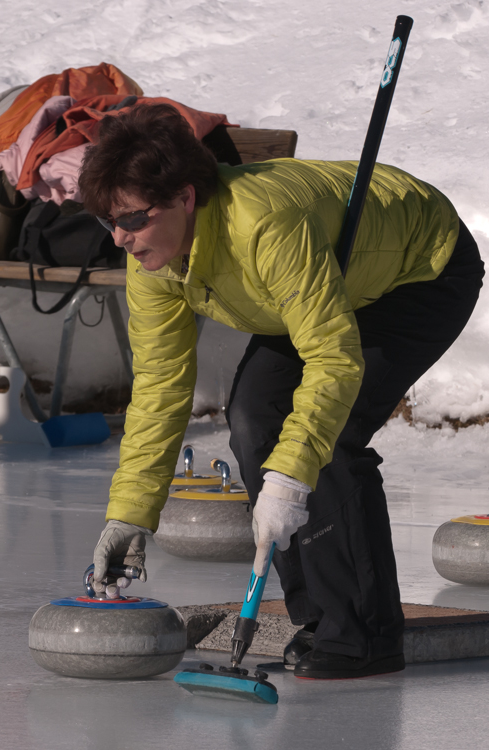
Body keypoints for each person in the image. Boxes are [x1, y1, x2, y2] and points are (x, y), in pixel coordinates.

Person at [79, 103, 484, 679]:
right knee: (252, 418)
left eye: (133, 219)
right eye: (107, 223)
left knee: (329, 435)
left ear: (186, 197)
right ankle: (318, 616)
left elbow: (332, 359)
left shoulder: (266, 226)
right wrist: (130, 514)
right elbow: (161, 387)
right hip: (313, 286)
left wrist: (292, 478)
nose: (121, 238)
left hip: (416, 269)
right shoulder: (153, 262)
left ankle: (364, 634)